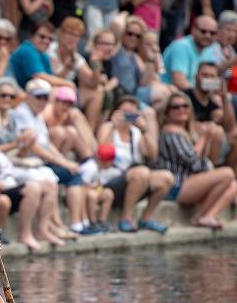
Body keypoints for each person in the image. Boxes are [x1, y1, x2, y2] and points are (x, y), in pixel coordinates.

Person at [0, 101, 63, 252]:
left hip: (9, 185)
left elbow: (4, 150)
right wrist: (6, 186)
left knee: (50, 184)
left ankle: (43, 229)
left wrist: (20, 144)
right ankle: (25, 233)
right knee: (33, 187)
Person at [9, 79, 88, 237]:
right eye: (39, 97)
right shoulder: (22, 113)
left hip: (35, 163)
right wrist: (62, 162)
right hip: (21, 162)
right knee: (52, 178)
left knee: (58, 177)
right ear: (28, 96)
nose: (43, 101)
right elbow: (33, 147)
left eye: (46, 98)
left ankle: (57, 225)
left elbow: (46, 144)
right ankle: (51, 226)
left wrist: (65, 161)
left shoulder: (36, 115)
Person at [157, 92, 237, 229]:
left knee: (233, 185)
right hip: (176, 185)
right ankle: (201, 216)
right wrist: (205, 138)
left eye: (185, 106)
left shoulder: (185, 130)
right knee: (228, 173)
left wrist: (209, 139)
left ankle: (207, 215)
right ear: (168, 112)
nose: (181, 109)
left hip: (190, 181)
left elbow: (201, 162)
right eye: (175, 107)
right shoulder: (170, 131)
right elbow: (191, 159)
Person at [96, 95, 172, 233]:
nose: (128, 116)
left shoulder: (136, 132)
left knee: (166, 178)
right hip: (110, 179)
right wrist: (114, 126)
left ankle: (145, 219)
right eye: (125, 112)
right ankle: (126, 217)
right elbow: (102, 154)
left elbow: (152, 154)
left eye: (132, 112)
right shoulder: (107, 127)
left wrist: (144, 129)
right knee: (141, 173)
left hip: (134, 179)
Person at [184, 62, 237, 167]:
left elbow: (230, 127)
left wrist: (224, 97)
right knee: (216, 130)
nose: (208, 79)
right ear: (196, 77)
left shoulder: (213, 102)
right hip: (191, 142)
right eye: (205, 75)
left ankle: (230, 174)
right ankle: (209, 172)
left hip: (212, 143)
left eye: (212, 76)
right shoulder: (186, 96)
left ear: (217, 80)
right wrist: (201, 125)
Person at [8, 21, 75, 90]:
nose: (46, 41)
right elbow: (39, 76)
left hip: (27, 93)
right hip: (13, 93)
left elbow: (51, 77)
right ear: (31, 36)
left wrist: (67, 68)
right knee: (42, 84)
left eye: (50, 39)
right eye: (42, 37)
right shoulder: (27, 50)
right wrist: (68, 83)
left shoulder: (43, 54)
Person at [162, 15, 219, 90]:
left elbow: (212, 81)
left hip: (193, 92)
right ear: (193, 30)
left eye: (212, 33)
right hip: (170, 91)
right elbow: (179, 82)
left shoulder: (209, 49)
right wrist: (199, 96)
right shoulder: (181, 46)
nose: (208, 36)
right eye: (203, 31)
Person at [79, 144, 118, 232]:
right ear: (107, 162)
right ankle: (92, 223)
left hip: (92, 191)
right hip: (82, 193)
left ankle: (102, 221)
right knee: (93, 195)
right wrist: (95, 190)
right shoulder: (91, 168)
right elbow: (82, 187)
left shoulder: (99, 167)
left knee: (108, 193)